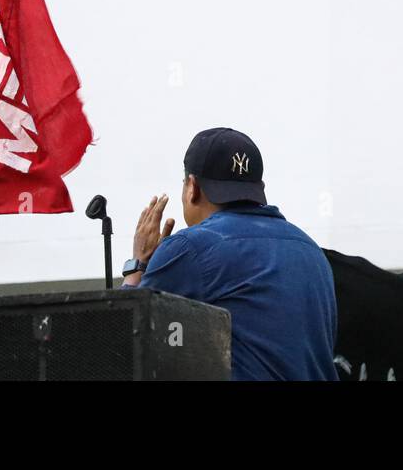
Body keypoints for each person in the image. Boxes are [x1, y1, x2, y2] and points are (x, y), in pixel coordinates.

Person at [120, 127, 338, 380]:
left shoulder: (188, 248)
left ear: (192, 187)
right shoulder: (310, 250)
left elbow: (125, 346)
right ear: (258, 187)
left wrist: (138, 266)